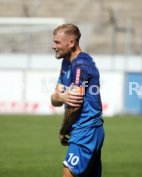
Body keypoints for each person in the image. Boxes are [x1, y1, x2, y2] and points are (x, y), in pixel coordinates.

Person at [50, 23, 104, 177]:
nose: (53, 46)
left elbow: (74, 105)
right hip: (84, 130)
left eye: (57, 42)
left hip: (86, 130)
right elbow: (55, 98)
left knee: (68, 174)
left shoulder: (81, 65)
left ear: (71, 43)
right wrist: (59, 96)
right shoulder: (67, 62)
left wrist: (63, 129)